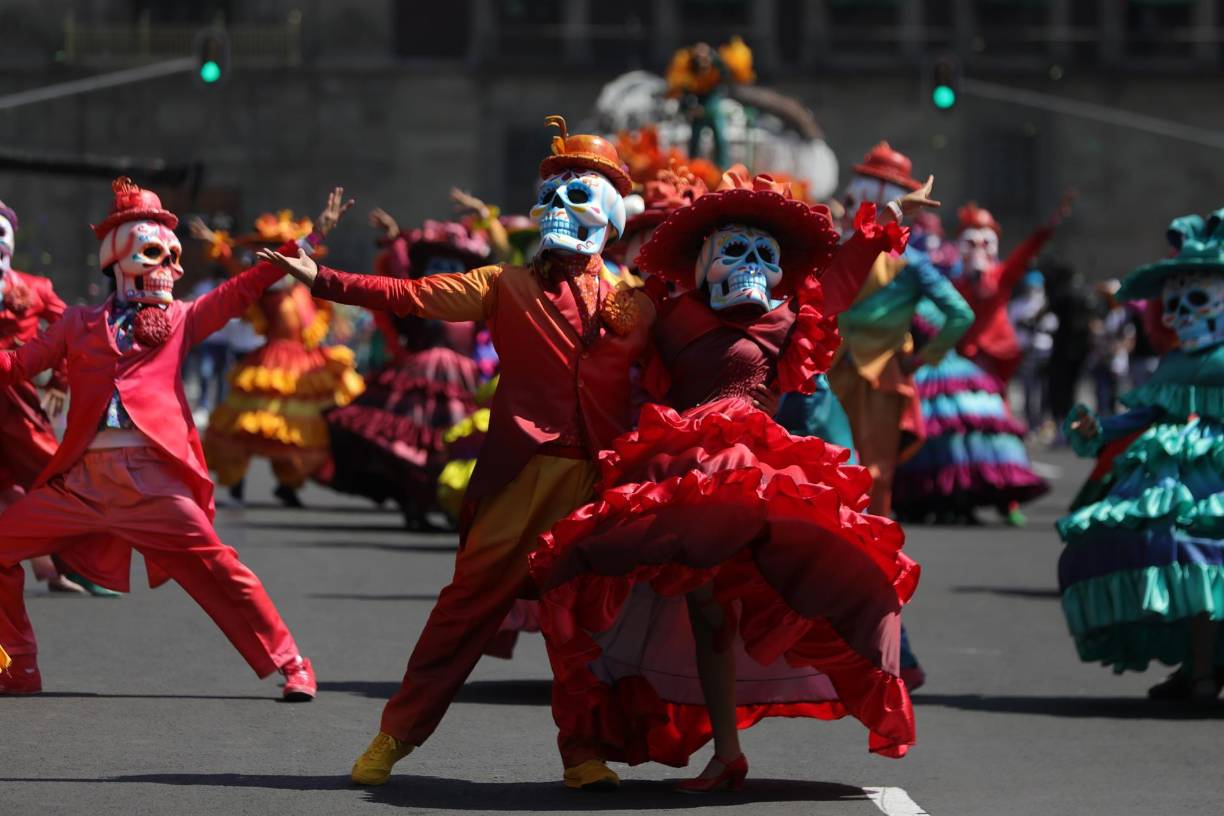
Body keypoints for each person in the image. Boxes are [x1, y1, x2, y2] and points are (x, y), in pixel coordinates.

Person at [261, 116, 659, 788]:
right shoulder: (503, 284)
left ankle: (582, 754)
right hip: (519, 475)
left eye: (581, 196)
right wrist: (323, 279)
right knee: (463, 613)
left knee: (583, 627)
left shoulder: (639, 303)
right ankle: (394, 737)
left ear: (614, 217)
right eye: (555, 197)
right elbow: (412, 297)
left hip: (595, 485)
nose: (564, 210)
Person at [528, 168, 928, 791]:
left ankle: (730, 745)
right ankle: (686, 745)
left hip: (750, 468)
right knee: (691, 609)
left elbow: (843, 278)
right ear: (703, 260)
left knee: (755, 595)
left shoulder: (790, 313)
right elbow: (597, 326)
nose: (746, 264)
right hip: (679, 465)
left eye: (761, 253)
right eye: (732, 249)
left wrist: (891, 214)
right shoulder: (667, 310)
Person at [0, 178, 345, 698]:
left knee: (221, 569)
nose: (168, 265)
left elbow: (243, 288)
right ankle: (18, 665)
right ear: (118, 258)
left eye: (172, 254)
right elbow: (18, 364)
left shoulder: (181, 318)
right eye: (153, 251)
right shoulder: (77, 323)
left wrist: (307, 243)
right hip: (83, 485)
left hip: (154, 482)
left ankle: (292, 661)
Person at [1060, 208, 1224, 702]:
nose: (1181, 314)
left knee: (1204, 560)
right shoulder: (1176, 361)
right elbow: (1144, 414)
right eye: (1174, 303)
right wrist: (1098, 427)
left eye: (1197, 300)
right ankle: (1197, 667)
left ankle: (1204, 668)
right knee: (1180, 561)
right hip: (1180, 480)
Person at [828, 142, 975, 518]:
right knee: (827, 460)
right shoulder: (836, 251)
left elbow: (960, 313)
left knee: (873, 469)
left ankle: (870, 544)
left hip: (874, 373)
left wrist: (920, 360)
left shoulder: (907, 262)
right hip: (832, 368)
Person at [323, 212, 489, 530]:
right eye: (438, 266)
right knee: (418, 443)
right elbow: (400, 282)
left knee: (460, 444)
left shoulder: (477, 301)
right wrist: (398, 240)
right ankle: (417, 504)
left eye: (455, 267)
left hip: (466, 380)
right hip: (423, 372)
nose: (446, 273)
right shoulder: (422, 300)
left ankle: (453, 503)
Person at [195, 210, 365, 507]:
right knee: (252, 422)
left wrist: (318, 233)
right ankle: (237, 483)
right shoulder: (266, 287)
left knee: (298, 425)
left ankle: (289, 483)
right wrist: (221, 250)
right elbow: (240, 274)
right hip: (272, 360)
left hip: (305, 361)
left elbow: (324, 295)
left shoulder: (303, 286)